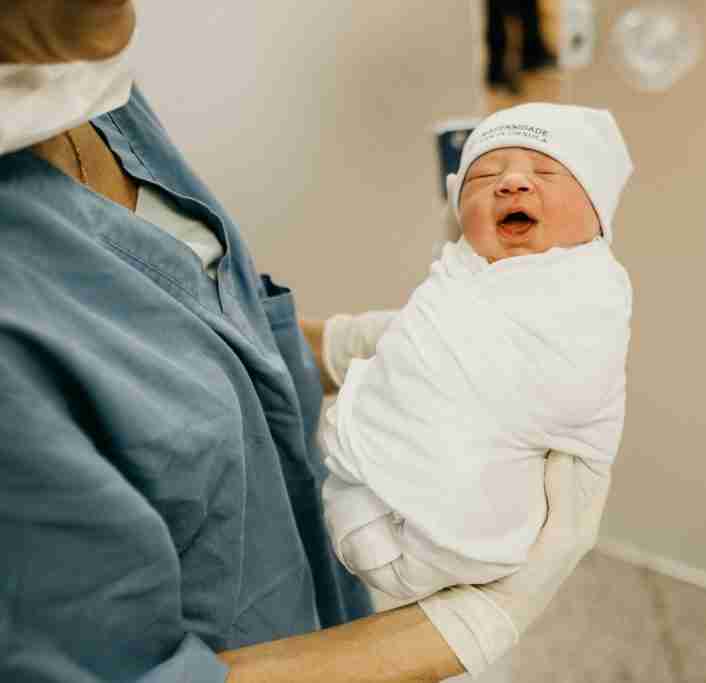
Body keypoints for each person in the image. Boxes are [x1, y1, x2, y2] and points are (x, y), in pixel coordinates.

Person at [0, 3, 612, 681]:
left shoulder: (79, 85)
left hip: (312, 588)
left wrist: (342, 346)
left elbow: (184, 326)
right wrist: (461, 628)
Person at [316, 103, 634, 607]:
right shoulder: (458, 272)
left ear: (597, 214)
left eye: (546, 172)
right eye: (483, 177)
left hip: (465, 530)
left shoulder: (590, 292)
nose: (510, 183)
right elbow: (417, 351)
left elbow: (572, 391)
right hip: (365, 489)